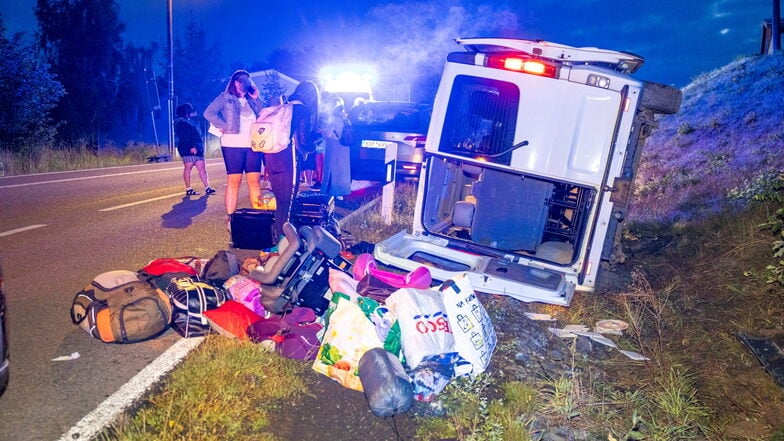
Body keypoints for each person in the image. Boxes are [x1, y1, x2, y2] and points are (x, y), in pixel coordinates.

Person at [203, 70, 264, 230]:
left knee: (255, 182)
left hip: (253, 145)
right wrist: (224, 126)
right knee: (234, 181)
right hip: (232, 145)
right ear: (235, 82)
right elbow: (208, 113)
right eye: (241, 80)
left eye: (247, 81)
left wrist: (256, 98)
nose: (245, 83)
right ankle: (231, 219)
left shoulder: (252, 101)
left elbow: (263, 115)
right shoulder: (225, 98)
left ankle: (260, 218)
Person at [265, 80, 320, 237]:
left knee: (279, 200)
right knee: (287, 201)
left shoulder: (284, 106)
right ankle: (285, 239)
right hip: (288, 158)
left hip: (272, 155)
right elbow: (302, 140)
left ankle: (278, 235)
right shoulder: (301, 109)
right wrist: (313, 144)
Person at [174, 103, 215, 196]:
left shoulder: (190, 121)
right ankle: (189, 188)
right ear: (185, 112)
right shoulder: (181, 123)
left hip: (197, 148)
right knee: (188, 168)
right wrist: (192, 146)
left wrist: (197, 147)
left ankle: (207, 187)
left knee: (202, 168)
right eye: (190, 111)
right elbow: (184, 137)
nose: (192, 112)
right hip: (188, 149)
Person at [320, 97, 352, 199]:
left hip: (334, 146)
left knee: (333, 167)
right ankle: (342, 190)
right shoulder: (345, 117)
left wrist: (322, 131)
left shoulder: (333, 118)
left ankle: (333, 191)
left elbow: (329, 133)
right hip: (344, 146)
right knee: (343, 168)